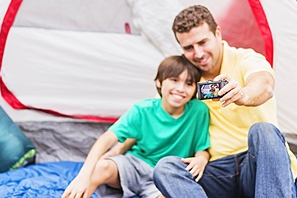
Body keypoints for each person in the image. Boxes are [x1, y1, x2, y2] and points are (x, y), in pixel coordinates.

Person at [152, 5, 297, 198]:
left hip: (256, 165)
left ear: (218, 33)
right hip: (214, 171)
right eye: (188, 48)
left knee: (264, 131)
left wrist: (243, 95)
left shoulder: (245, 59)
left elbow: (265, 84)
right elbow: (154, 120)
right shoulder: (181, 79)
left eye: (203, 42)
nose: (198, 53)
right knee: (166, 168)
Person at [62, 55, 211, 198]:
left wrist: (201, 159)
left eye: (189, 83)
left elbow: (202, 149)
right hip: (135, 165)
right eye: (174, 80)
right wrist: (83, 176)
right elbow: (106, 138)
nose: (181, 88)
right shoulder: (142, 110)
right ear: (159, 82)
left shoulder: (198, 111)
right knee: (99, 168)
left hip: (164, 176)